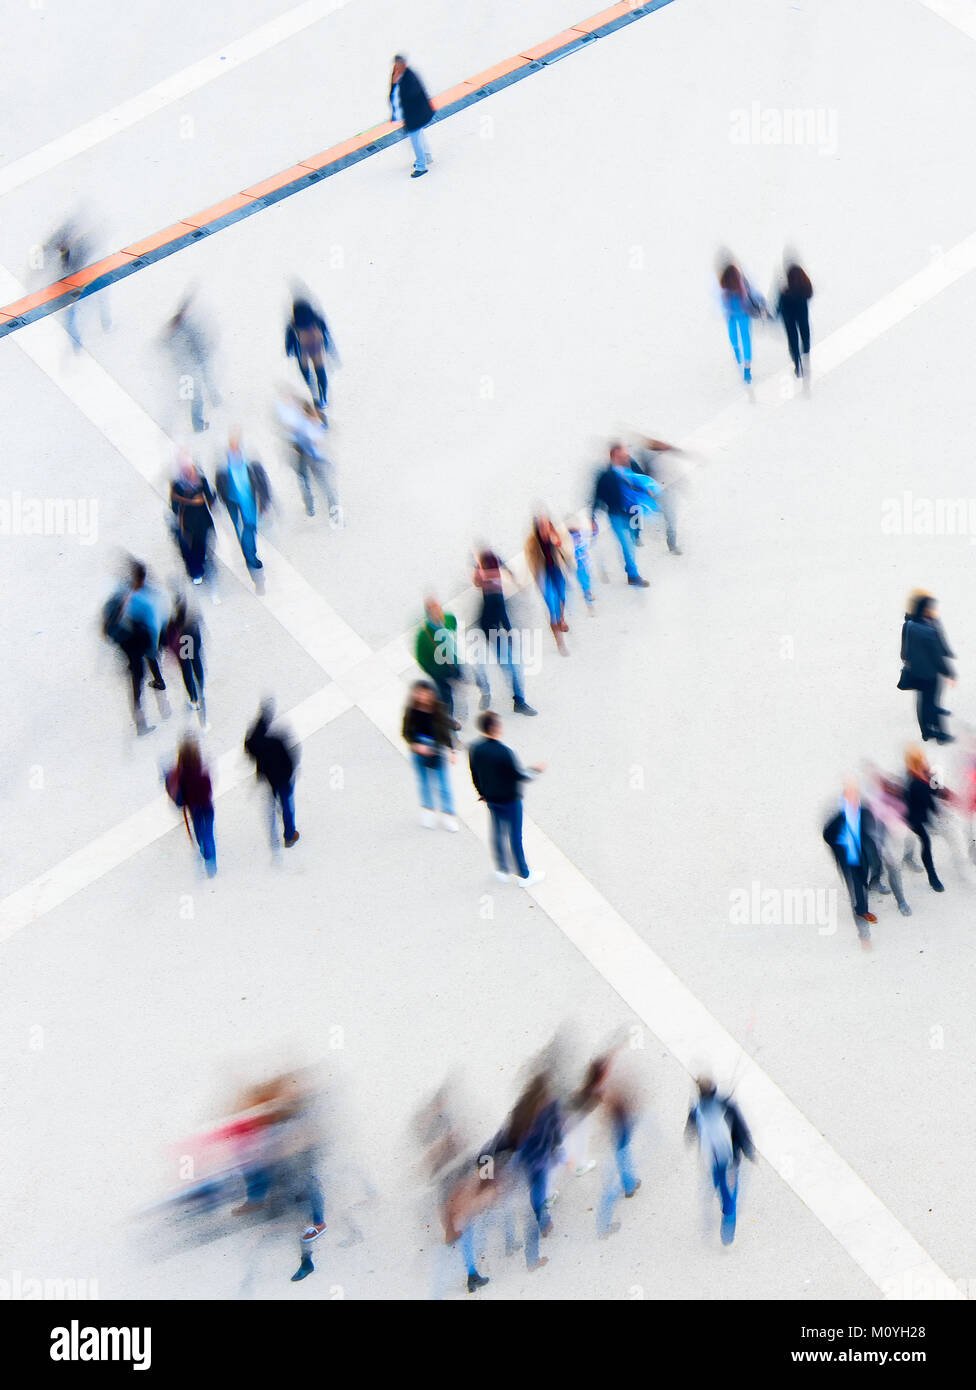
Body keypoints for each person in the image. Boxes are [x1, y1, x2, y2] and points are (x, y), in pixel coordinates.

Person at [468, 711, 545, 886]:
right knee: (515, 837)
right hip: (509, 800)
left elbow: (475, 773)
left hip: (491, 798)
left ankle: (501, 869)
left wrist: (481, 793)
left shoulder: (475, 749)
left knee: (497, 832)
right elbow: (519, 775)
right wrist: (536, 769)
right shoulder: (504, 752)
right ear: (494, 728)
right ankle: (524, 875)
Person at [685, 1076, 755, 1245]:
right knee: (730, 1196)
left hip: (712, 1158)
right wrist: (748, 1150)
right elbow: (741, 1130)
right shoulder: (727, 1107)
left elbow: (690, 1131)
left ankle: (716, 1194)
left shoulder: (696, 1109)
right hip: (730, 1160)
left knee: (717, 1180)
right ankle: (727, 1233)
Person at [101, 560, 169, 736]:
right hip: (138, 642)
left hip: (129, 644)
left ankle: (156, 686)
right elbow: (153, 626)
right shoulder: (146, 599)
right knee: (144, 669)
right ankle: (142, 721)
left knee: (137, 679)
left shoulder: (123, 591)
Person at [472, 550, 537, 716]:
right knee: (502, 666)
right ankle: (494, 694)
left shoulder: (494, 587)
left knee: (509, 666)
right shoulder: (492, 588)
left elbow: (500, 611)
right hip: (489, 630)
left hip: (490, 630)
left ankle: (515, 700)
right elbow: (500, 613)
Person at [822, 777, 881, 948]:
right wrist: (840, 847)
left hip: (861, 854)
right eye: (849, 799)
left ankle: (866, 894)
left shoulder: (864, 812)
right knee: (855, 886)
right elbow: (827, 835)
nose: (853, 802)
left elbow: (868, 830)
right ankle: (862, 918)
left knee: (863, 877)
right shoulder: (838, 821)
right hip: (847, 857)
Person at [216, 429, 272, 588]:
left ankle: (250, 556)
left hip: (248, 498)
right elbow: (219, 481)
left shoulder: (250, 459)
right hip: (232, 500)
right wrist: (223, 499)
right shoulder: (223, 462)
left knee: (250, 526)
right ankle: (250, 557)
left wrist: (265, 502)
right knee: (240, 527)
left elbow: (262, 480)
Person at [275, 389, 341, 525]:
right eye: (313, 415)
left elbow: (324, 434)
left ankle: (335, 517)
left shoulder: (319, 424)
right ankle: (309, 503)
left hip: (317, 460)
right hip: (304, 457)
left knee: (327, 488)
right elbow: (296, 440)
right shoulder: (302, 426)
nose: (315, 418)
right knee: (305, 481)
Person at [161, 289, 221, 433]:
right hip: (191, 366)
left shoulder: (180, 327)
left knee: (204, 381)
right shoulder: (180, 331)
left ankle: (213, 398)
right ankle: (198, 424)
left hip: (194, 363)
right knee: (196, 397)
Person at [591, 444, 650, 587]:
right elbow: (597, 496)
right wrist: (592, 517)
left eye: (627, 456)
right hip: (616, 515)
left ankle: (634, 541)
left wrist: (647, 490)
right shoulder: (605, 476)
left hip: (633, 511)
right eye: (622, 457)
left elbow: (643, 479)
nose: (626, 459)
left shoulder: (631, 465)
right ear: (613, 458)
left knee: (633, 538)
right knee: (627, 544)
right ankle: (633, 575)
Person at [900, 593, 955, 744]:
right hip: (930, 673)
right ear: (925, 609)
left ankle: (926, 731)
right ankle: (940, 734)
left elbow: (904, 653)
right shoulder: (929, 630)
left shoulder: (909, 624)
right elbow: (937, 656)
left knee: (922, 701)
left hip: (915, 672)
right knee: (932, 702)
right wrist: (949, 673)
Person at [402, 681, 458, 830]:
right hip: (419, 747)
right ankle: (428, 812)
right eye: (419, 693)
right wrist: (416, 745)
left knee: (444, 785)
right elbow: (406, 732)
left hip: (437, 748)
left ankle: (448, 814)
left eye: (426, 693)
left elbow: (445, 731)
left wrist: (452, 750)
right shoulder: (411, 710)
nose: (422, 697)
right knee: (424, 783)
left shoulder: (438, 709)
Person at [244, 701, 300, 849]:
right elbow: (290, 760)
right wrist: (290, 773)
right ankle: (289, 836)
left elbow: (249, 748)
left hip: (269, 777)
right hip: (282, 777)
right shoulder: (276, 742)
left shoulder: (254, 743)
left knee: (273, 797)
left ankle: (274, 826)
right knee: (287, 804)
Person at [164, 737, 217, 876]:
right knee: (209, 830)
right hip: (206, 805)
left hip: (194, 807)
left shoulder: (180, 776)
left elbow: (180, 795)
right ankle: (210, 853)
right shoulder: (202, 771)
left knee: (199, 829)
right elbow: (209, 789)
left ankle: (204, 850)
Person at [525, 513, 574, 655]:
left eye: (546, 525)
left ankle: (562, 619)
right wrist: (537, 581)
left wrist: (558, 543)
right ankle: (560, 642)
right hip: (544, 575)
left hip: (557, 570)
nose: (545, 529)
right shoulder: (532, 543)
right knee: (552, 608)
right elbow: (531, 562)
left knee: (562, 598)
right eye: (541, 527)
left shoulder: (557, 535)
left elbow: (568, 553)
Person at [415, 597, 465, 726]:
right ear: (429, 614)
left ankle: (458, 679)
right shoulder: (423, 636)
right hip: (439, 672)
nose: (440, 612)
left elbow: (453, 628)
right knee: (446, 696)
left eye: (439, 608)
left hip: (454, 662)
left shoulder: (449, 618)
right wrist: (434, 672)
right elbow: (421, 659)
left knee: (459, 677)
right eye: (435, 610)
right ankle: (448, 720)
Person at [629, 436, 683, 555]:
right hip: (655, 490)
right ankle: (636, 535)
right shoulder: (648, 456)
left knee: (670, 518)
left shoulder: (663, 455)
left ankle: (672, 544)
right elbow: (643, 473)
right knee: (641, 511)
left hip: (664, 491)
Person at [169, 451, 216, 585]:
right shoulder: (177, 485)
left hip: (202, 520)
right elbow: (174, 505)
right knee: (193, 547)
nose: (189, 473)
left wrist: (212, 499)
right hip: (188, 522)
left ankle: (199, 566)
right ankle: (197, 571)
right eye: (185, 470)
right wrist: (189, 501)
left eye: (190, 469)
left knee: (201, 545)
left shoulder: (200, 479)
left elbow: (209, 496)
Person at [285, 296, 338, 415]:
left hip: (303, 350)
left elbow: (289, 340)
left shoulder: (293, 324)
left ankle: (314, 392)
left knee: (306, 373)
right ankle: (323, 396)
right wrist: (329, 348)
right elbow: (325, 332)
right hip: (316, 347)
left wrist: (289, 349)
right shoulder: (316, 319)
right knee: (320, 371)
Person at [904, 746, 945, 893]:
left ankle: (907, 856)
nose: (925, 762)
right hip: (913, 818)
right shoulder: (914, 783)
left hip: (919, 815)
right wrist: (936, 811)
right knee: (925, 841)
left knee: (915, 839)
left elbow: (936, 789)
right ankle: (932, 877)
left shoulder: (923, 775)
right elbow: (929, 796)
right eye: (921, 760)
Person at [163, 594, 207, 728]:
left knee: (187, 670)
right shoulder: (192, 617)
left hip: (184, 644)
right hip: (193, 641)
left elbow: (167, 638)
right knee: (197, 663)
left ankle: (193, 698)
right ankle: (200, 687)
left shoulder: (174, 621)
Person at [718, 261, 763, 385]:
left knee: (733, 336)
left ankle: (737, 352)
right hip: (744, 314)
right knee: (746, 339)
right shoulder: (742, 283)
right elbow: (753, 294)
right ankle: (747, 370)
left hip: (732, 315)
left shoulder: (724, 287)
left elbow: (723, 303)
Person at [390, 54, 435, 178]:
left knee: (415, 140)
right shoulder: (397, 74)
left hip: (414, 115)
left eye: (399, 65)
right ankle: (426, 156)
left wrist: (397, 82)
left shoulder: (409, 78)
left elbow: (411, 95)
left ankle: (421, 166)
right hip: (412, 115)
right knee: (419, 135)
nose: (397, 67)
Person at [777, 260, 813, 383]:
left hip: (788, 317)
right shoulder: (803, 286)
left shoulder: (784, 289)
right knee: (805, 335)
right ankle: (806, 357)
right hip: (802, 314)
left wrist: (775, 314)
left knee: (793, 341)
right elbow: (810, 294)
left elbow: (779, 305)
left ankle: (798, 366)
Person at [565, 516, 596, 611]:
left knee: (587, 577)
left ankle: (587, 591)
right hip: (578, 565)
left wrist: (594, 527)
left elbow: (592, 533)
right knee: (584, 580)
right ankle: (587, 595)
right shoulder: (568, 538)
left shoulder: (582, 533)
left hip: (586, 562)